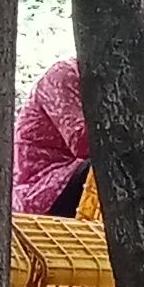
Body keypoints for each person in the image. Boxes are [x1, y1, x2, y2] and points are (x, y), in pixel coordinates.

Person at [14, 54, 90, 216]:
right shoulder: (66, 75)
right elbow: (82, 144)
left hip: (72, 176)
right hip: (40, 189)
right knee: (107, 166)